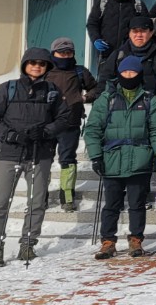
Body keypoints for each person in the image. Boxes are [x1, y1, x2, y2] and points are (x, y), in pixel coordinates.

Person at [0, 47, 70, 268]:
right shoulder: (8, 89)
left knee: (37, 202)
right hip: (11, 153)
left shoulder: (52, 91)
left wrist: (45, 132)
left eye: (42, 63)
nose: (37, 66)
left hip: (40, 154)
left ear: (47, 66)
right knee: (0, 203)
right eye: (33, 62)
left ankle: (28, 244)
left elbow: (64, 118)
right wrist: (10, 134)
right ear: (24, 65)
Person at [85, 56, 156, 260]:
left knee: (137, 203)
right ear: (119, 73)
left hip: (139, 159)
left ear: (139, 74)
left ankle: (136, 239)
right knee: (111, 203)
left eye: (133, 72)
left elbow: (154, 129)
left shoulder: (149, 99)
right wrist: (95, 155)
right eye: (125, 72)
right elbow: (93, 129)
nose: (129, 76)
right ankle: (108, 241)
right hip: (112, 159)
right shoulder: (107, 98)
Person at [45, 37, 97, 212]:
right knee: (43, 160)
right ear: (53, 53)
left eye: (69, 53)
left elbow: (96, 89)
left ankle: (67, 195)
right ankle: (40, 195)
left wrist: (83, 98)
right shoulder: (45, 71)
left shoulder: (80, 72)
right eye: (61, 53)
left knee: (67, 160)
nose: (65, 56)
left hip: (70, 123)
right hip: (46, 123)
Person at [86, 0, 147, 85]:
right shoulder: (103, 2)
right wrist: (96, 39)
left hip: (130, 54)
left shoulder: (138, 5)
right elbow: (92, 23)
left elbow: (146, 27)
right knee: (105, 86)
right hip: (106, 54)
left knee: (130, 84)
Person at [101, 17, 156, 92]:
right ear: (129, 34)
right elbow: (104, 82)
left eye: (143, 31)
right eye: (135, 31)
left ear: (151, 33)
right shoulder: (118, 55)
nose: (139, 35)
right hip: (122, 101)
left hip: (152, 101)